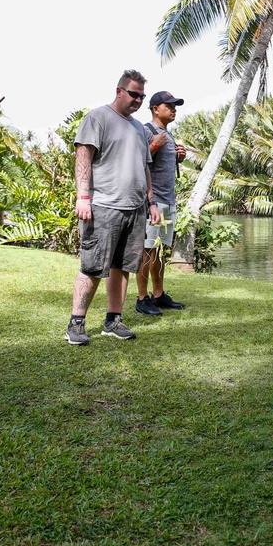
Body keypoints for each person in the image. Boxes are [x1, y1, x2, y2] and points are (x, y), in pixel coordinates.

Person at [66, 70, 161, 344]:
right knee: (93, 266)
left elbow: (145, 167)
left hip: (135, 208)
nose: (138, 100)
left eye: (142, 96)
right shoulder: (98, 117)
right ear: (119, 91)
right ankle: (76, 324)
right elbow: (83, 155)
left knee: (123, 266)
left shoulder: (138, 128)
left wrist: (151, 202)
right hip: (105, 205)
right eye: (134, 94)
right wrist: (83, 196)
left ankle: (113, 320)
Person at [135, 91, 188, 317]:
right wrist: (155, 146)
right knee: (146, 251)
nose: (174, 109)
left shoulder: (168, 133)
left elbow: (161, 163)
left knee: (160, 251)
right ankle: (141, 298)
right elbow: (137, 162)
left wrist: (178, 156)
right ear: (156, 108)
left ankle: (158, 294)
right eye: (169, 105)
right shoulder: (146, 131)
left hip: (168, 200)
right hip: (152, 202)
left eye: (175, 106)